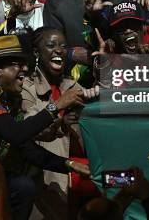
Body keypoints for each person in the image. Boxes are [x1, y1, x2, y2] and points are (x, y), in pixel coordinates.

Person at [0, 35, 90, 220]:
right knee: (23, 185)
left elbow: (26, 147)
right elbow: (16, 134)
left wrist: (71, 165)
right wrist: (56, 106)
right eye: (17, 64)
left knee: (23, 185)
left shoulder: (8, 98)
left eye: (24, 64)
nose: (25, 69)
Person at [21, 27, 96, 219]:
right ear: (37, 53)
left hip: (84, 171)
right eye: (51, 45)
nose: (59, 50)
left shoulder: (72, 85)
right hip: (48, 175)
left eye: (63, 46)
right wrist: (59, 122)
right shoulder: (27, 89)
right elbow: (30, 130)